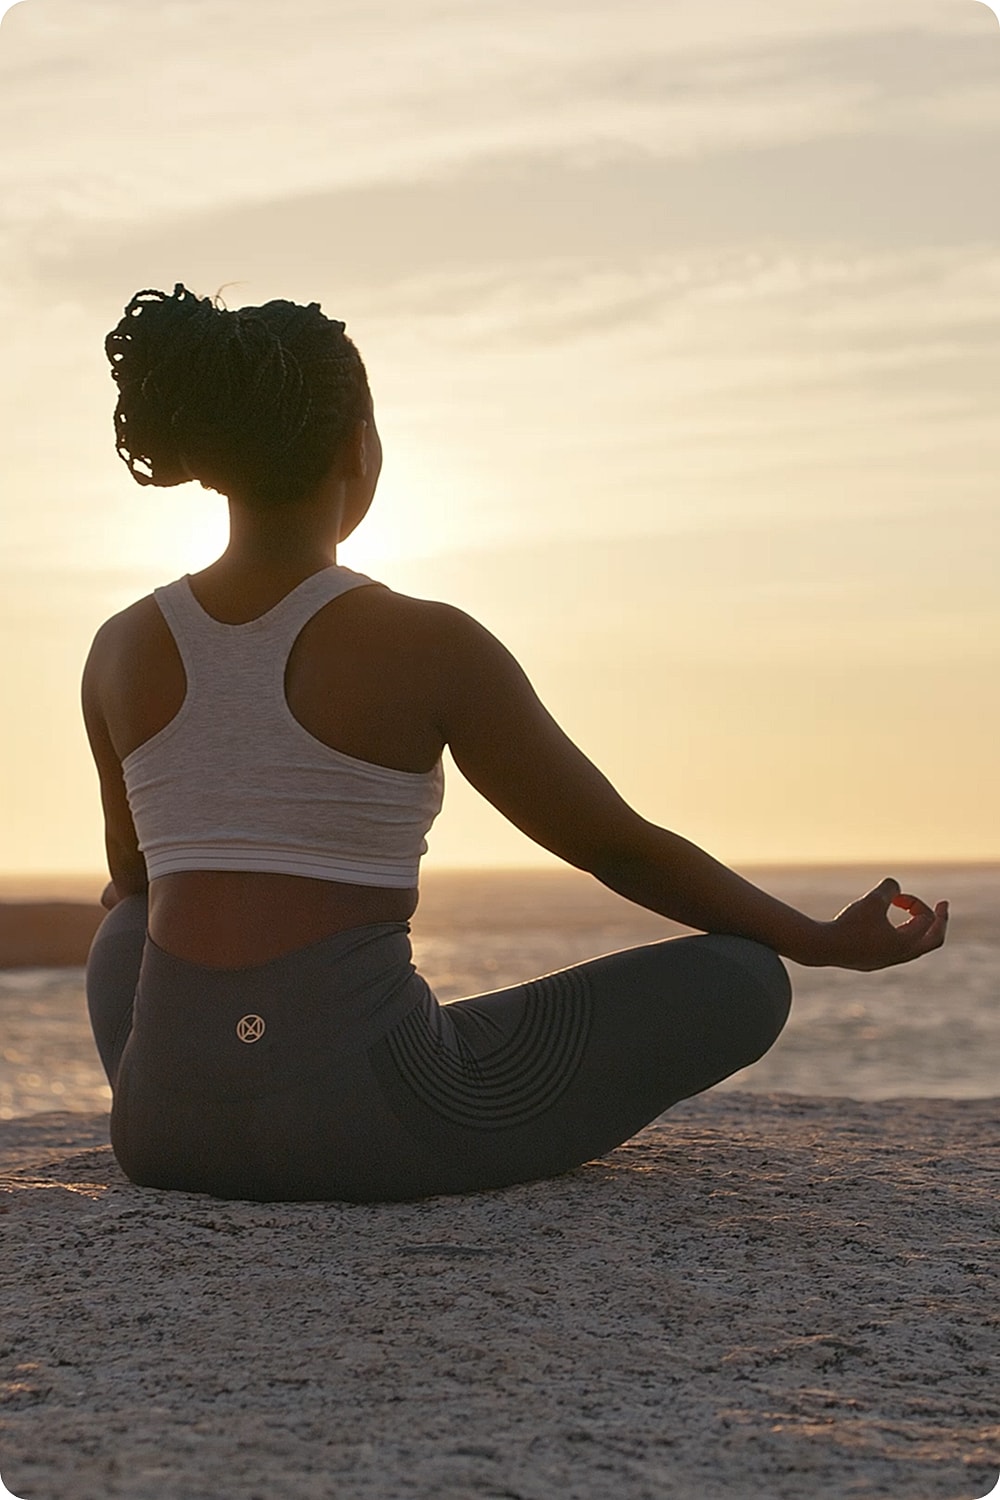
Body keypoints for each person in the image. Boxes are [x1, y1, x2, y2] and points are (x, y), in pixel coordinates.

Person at [82, 283, 949, 1204]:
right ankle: (328, 1055)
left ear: (216, 459)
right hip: (357, 1130)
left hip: (161, 1126)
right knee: (745, 976)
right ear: (359, 449)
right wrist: (814, 940)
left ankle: (247, 1069)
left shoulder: (122, 646)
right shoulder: (429, 642)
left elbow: (133, 882)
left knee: (126, 926)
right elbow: (616, 846)